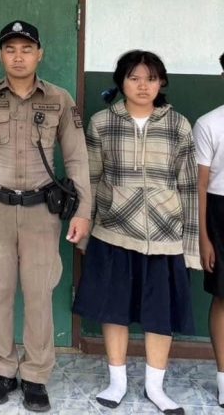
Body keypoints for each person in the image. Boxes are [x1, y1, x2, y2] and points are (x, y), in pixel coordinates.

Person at [0, 20, 91, 413]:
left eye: (26, 49)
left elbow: (77, 158)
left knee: (39, 295)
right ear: (1, 55)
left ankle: (35, 375)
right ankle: (1, 369)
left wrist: (83, 211)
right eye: (10, 49)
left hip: (42, 212)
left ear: (39, 54)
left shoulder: (59, 99)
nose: (18, 57)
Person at [73, 49, 198, 413]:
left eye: (151, 78)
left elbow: (190, 188)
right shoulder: (101, 123)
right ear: (121, 82)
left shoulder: (178, 125)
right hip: (114, 232)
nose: (143, 86)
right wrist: (85, 231)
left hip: (165, 237)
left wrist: (190, 245)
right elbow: (90, 180)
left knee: (161, 315)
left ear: (162, 83)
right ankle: (117, 383)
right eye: (134, 78)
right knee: (114, 311)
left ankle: (155, 388)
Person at [196, 53, 224, 407]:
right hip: (220, 211)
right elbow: (200, 185)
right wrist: (203, 238)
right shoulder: (209, 123)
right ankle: (223, 378)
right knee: (223, 297)